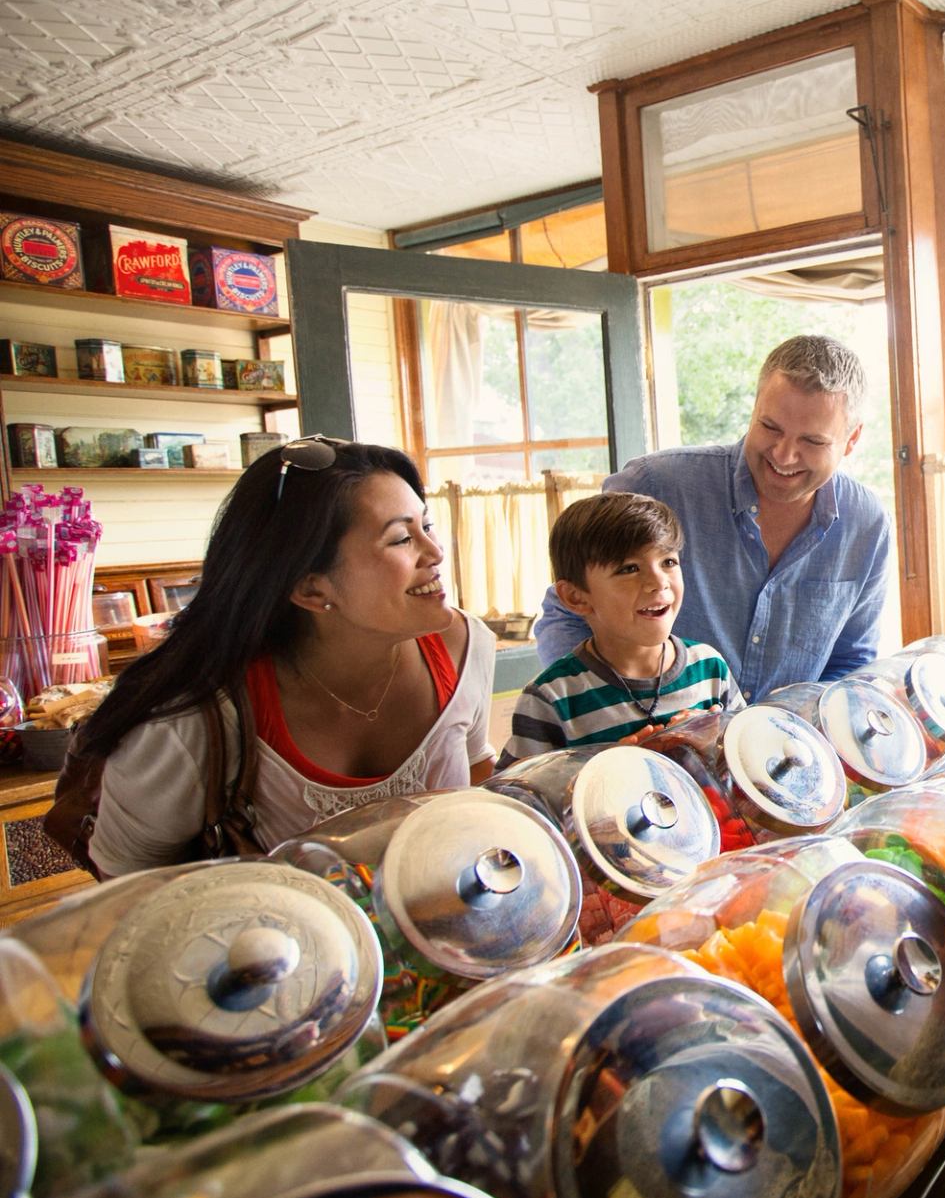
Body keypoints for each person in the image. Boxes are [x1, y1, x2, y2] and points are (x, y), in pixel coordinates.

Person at [62, 437, 497, 874]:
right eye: (401, 538)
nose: (436, 552)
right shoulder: (195, 718)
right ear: (311, 589)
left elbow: (478, 776)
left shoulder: (466, 650)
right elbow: (129, 887)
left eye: (428, 525)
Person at [535, 334, 892, 701]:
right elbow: (566, 615)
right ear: (754, 410)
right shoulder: (655, 485)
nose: (784, 456)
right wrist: (608, 714)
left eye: (812, 442)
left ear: (851, 440)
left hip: (784, 751)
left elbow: (850, 660)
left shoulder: (867, 524)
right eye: (770, 428)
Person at [497, 492, 737, 769]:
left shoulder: (710, 668)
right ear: (577, 597)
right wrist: (601, 773)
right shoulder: (551, 699)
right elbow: (519, 800)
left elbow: (745, 764)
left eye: (668, 562)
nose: (659, 582)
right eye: (629, 568)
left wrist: (713, 744)